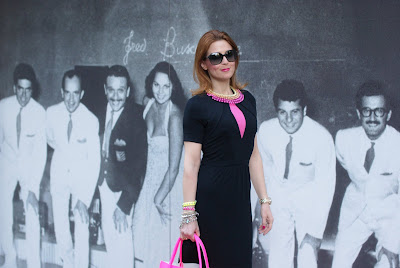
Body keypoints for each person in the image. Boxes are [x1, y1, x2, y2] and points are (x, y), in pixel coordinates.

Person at [179, 30, 273, 268]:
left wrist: (264, 201)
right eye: (216, 57)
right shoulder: (196, 106)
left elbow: (253, 156)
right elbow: (191, 164)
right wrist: (189, 216)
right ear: (203, 64)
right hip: (211, 198)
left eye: (229, 55)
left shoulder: (249, 99)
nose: (225, 62)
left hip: (240, 198)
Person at [255, 79, 336, 268]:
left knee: (307, 253)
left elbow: (326, 185)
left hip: (309, 196)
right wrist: (263, 205)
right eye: (282, 112)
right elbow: (263, 170)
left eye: (295, 112)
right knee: (278, 256)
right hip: (279, 194)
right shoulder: (266, 131)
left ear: (304, 110)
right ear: (276, 111)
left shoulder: (321, 138)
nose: (288, 119)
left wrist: (316, 231)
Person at [332, 80, 400, 268]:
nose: (372, 117)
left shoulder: (398, 145)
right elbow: (346, 166)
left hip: (390, 216)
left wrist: (393, 244)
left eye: (379, 111)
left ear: (388, 114)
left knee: (388, 263)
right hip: (355, 214)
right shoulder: (343, 140)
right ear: (358, 113)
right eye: (366, 111)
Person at [46, 69, 100, 268]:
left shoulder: (91, 120)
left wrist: (84, 199)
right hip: (58, 177)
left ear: (81, 94)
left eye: (75, 93)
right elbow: (51, 140)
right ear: (61, 92)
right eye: (67, 93)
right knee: (61, 229)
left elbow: (94, 162)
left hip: (81, 182)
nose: (71, 99)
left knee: (82, 228)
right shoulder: (50, 114)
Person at [133, 61, 185, 267]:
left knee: (162, 254)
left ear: (173, 87)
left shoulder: (175, 117)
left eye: (166, 86)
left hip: (168, 190)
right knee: (140, 245)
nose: (161, 91)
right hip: (149, 184)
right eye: (156, 85)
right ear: (150, 85)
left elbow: (173, 168)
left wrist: (158, 199)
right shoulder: (148, 105)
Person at [97, 65, 147, 268]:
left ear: (127, 91)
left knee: (123, 244)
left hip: (122, 192)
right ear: (105, 89)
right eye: (111, 89)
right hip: (103, 185)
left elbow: (139, 167)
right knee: (110, 242)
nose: (115, 96)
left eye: (120, 90)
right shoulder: (99, 112)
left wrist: (124, 204)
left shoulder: (136, 119)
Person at [0, 63, 46, 267]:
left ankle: (34, 263)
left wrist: (33, 188)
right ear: (14, 88)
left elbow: (40, 153)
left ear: (32, 90)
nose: (24, 95)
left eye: (28, 90)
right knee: (2, 209)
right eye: (20, 89)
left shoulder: (39, 112)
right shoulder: (2, 107)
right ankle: (9, 258)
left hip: (29, 167)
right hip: (7, 163)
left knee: (32, 211)